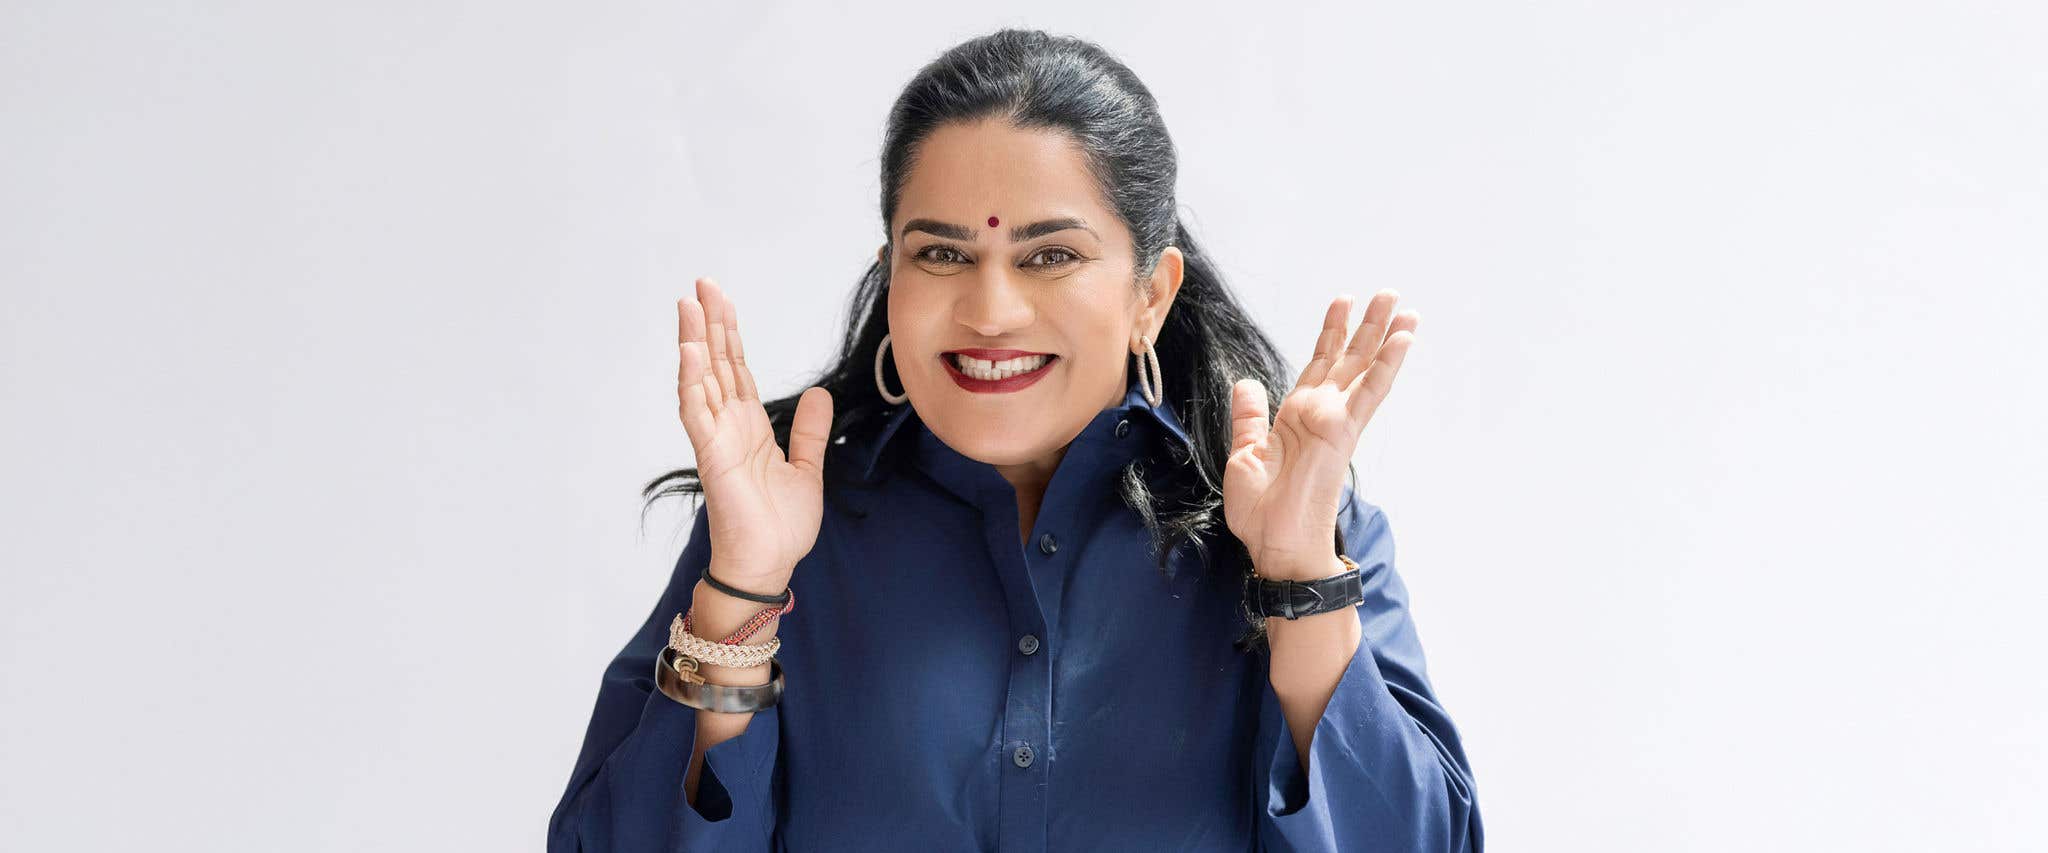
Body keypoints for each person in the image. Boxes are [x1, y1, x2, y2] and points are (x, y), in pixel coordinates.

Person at [547, 28, 1482, 853]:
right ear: (891, 277)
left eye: (1050, 256)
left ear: (1150, 295)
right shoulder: (785, 528)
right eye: (943, 253)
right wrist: (743, 592)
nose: (991, 310)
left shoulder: (1298, 524)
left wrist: (1298, 583)